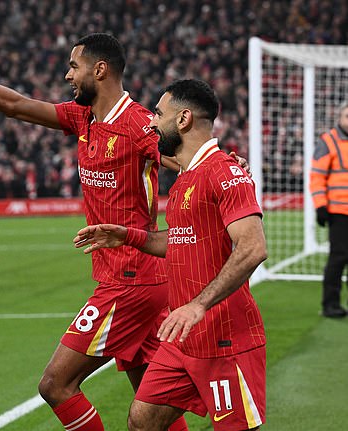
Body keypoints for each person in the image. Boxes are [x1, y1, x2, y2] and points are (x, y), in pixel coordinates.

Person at [0, 8, 201, 430]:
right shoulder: (84, 117)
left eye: (73, 66)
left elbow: (183, 160)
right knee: (151, 402)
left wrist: (225, 168)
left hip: (132, 280)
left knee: (55, 384)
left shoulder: (139, 125)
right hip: (137, 279)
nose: (67, 75)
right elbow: (15, 105)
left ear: (99, 70)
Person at [74, 79, 268, 431]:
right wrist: (126, 235)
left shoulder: (226, 172)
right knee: (142, 419)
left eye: (159, 114)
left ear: (183, 119)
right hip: (182, 338)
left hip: (225, 339)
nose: (150, 122)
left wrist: (199, 304)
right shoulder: (184, 179)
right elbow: (178, 240)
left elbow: (254, 247)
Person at [310, 101, 348, 318]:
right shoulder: (329, 141)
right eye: (347, 116)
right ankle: (330, 304)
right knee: (339, 258)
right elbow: (317, 175)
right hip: (339, 211)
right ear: (339, 118)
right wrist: (320, 206)